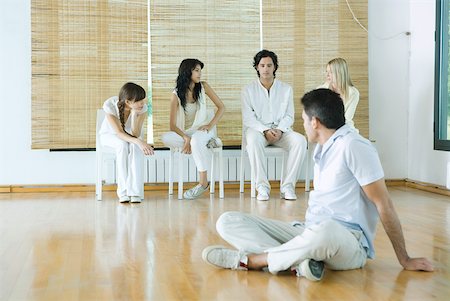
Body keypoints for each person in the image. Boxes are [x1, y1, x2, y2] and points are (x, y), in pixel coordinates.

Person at [201, 88, 434, 281]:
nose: (302, 125)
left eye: (303, 120)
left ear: (315, 122)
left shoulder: (353, 146)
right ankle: (301, 263)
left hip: (347, 243)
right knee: (228, 221)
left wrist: (404, 258)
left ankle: (252, 261)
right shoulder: (322, 148)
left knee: (327, 231)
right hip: (310, 230)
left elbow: (384, 204)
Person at [241, 49, 307, 201]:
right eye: (262, 65)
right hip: (258, 131)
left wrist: (279, 129)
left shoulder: (286, 89)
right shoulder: (248, 90)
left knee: (300, 141)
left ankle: (288, 187)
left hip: (281, 131)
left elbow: (289, 115)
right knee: (252, 141)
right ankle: (262, 187)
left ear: (275, 67)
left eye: (269, 65)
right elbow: (248, 118)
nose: (266, 69)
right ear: (257, 67)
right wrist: (264, 130)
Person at [161, 58, 225, 199]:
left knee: (196, 139)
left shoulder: (203, 87)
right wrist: (186, 138)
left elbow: (221, 107)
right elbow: (172, 125)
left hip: (204, 130)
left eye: (200, 70)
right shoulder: (176, 95)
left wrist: (210, 125)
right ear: (187, 71)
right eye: (196, 70)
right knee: (165, 137)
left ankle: (203, 183)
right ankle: (202, 144)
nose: (199, 73)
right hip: (188, 133)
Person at [99, 82, 154, 203]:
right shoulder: (110, 105)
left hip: (130, 135)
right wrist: (139, 142)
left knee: (135, 147)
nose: (142, 103)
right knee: (122, 145)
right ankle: (123, 191)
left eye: (142, 99)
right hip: (110, 135)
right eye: (138, 101)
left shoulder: (142, 108)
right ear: (128, 102)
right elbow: (118, 132)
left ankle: (135, 192)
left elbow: (135, 133)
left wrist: (134, 115)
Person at [318, 58, 360, 131]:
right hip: (325, 129)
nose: (327, 75)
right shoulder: (320, 91)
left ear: (340, 73)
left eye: (331, 72)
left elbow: (347, 119)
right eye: (326, 71)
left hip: (345, 128)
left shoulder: (353, 93)